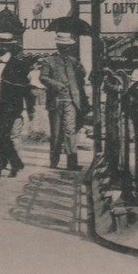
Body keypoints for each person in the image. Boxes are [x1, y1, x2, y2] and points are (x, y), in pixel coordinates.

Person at [0, 11, 32, 186]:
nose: (1, 47)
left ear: (10, 46)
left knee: (1, 138)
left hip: (9, 108)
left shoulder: (19, 65)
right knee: (1, 138)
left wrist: (25, 109)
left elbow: (23, 89)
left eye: (5, 45)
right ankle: (16, 162)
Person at [39, 27, 87, 171]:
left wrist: (79, 66)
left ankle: (72, 162)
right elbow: (43, 77)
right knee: (56, 132)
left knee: (69, 130)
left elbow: (82, 77)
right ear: (58, 46)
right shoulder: (49, 61)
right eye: (64, 47)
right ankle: (54, 161)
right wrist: (56, 85)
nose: (66, 49)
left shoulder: (73, 61)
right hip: (55, 101)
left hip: (71, 101)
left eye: (68, 47)